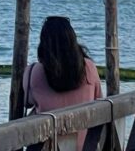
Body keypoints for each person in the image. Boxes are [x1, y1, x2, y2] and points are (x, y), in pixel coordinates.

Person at [23, 16, 102, 150]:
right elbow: (99, 99)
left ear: (43, 43)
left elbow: (27, 102)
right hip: (84, 147)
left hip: (47, 147)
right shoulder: (89, 67)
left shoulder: (34, 72)